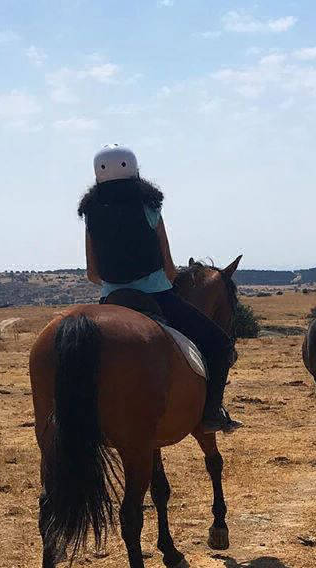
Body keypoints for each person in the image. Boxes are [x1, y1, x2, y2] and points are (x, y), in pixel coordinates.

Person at [78, 144, 239, 433]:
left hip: (111, 300)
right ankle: (211, 413)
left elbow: (92, 274)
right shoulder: (150, 208)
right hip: (157, 296)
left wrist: (116, 282)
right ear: (135, 172)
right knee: (220, 345)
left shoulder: (91, 215)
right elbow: (169, 268)